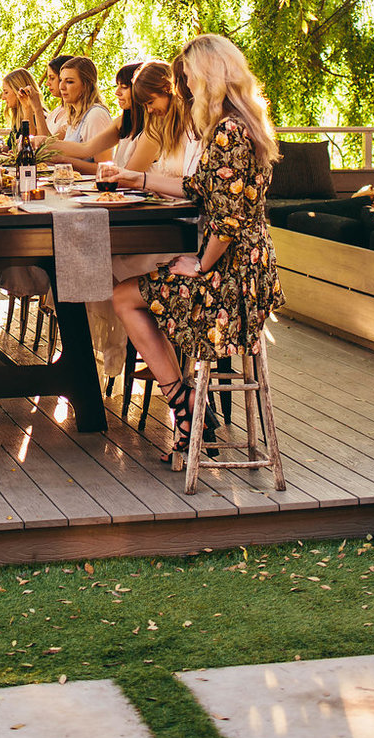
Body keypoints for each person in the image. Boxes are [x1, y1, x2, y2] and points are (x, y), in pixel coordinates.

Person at [111, 34, 283, 459]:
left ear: (207, 77)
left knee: (124, 295)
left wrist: (201, 264)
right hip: (250, 272)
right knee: (138, 291)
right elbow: (199, 188)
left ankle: (185, 407)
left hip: (231, 280)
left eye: (187, 78)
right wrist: (140, 179)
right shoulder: (245, 123)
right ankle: (188, 405)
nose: (185, 87)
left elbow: (226, 221)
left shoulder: (226, 131)